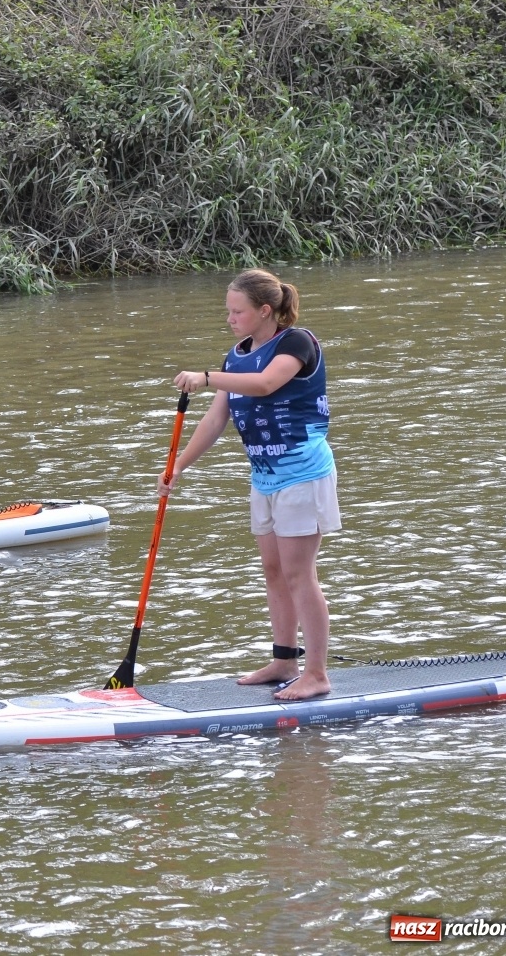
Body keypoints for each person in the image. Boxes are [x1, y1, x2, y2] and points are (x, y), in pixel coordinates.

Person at [161, 268, 339, 701]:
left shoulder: (297, 342)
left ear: (265, 311)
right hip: (263, 476)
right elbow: (216, 419)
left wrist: (205, 378)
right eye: (227, 311)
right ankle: (284, 660)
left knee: (300, 574)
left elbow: (266, 384)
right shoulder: (235, 356)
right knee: (273, 571)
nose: (230, 319)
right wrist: (178, 466)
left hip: (303, 473)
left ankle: (316, 673)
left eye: (237, 311)